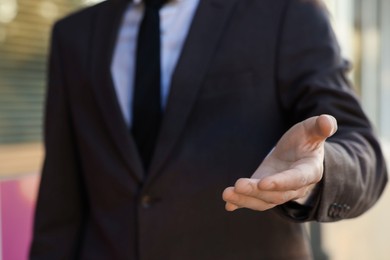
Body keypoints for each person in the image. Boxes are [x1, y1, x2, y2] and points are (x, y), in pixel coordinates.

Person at [30, 0, 388, 259]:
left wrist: (317, 175)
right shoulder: (73, 36)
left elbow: (363, 150)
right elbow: (60, 204)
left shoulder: (285, 12)